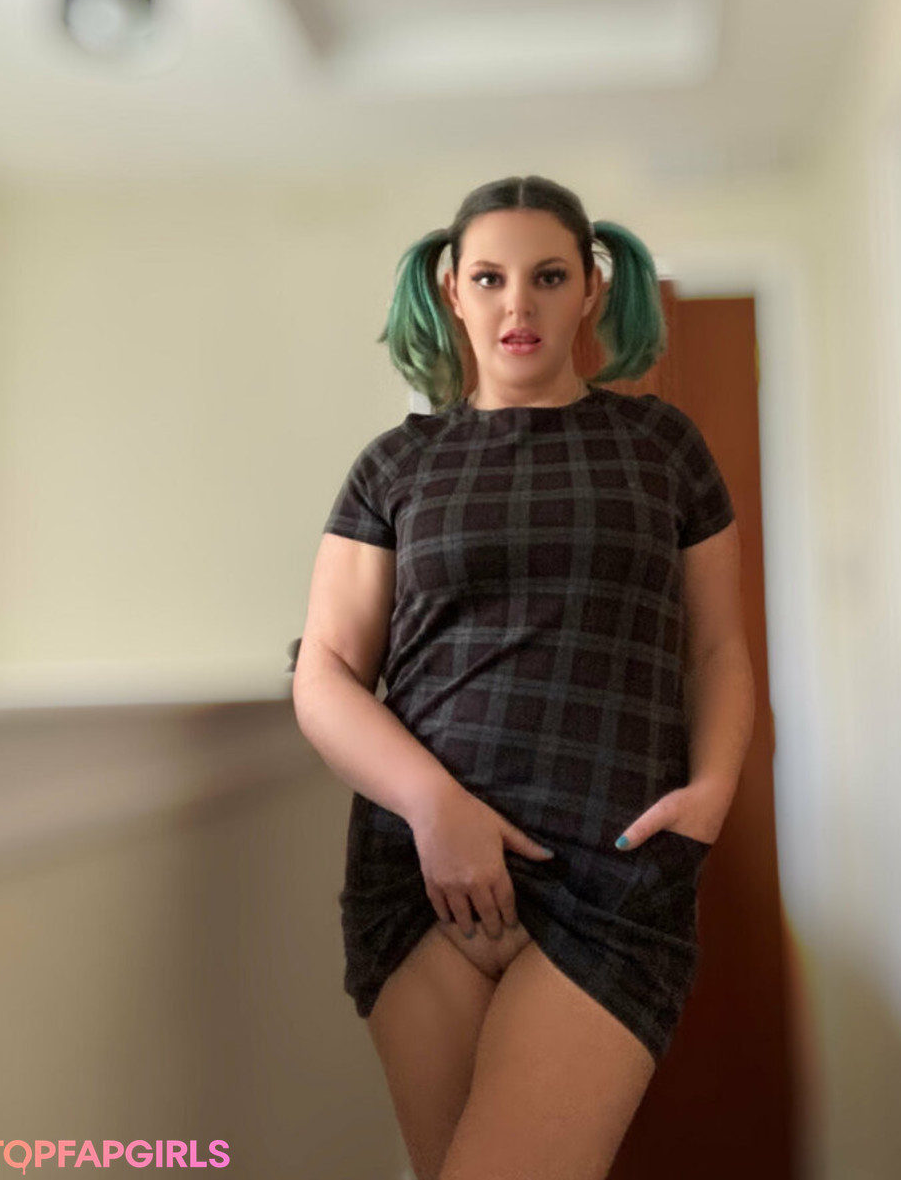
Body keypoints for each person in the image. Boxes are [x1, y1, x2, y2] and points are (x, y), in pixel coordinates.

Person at [291, 174, 754, 1180]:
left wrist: (712, 792)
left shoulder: (663, 447)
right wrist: (434, 807)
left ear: (591, 289)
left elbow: (718, 649)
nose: (518, 303)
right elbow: (324, 671)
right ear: (450, 289)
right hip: (424, 876)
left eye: (548, 276)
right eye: (490, 277)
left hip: (612, 869)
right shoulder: (393, 464)